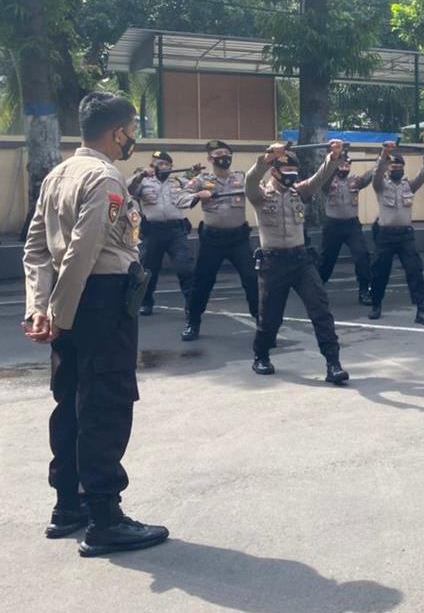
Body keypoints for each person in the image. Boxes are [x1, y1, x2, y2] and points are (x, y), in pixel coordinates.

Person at [23, 92, 168, 557]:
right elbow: (84, 251)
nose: (133, 140)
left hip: (68, 305)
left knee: (69, 403)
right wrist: (59, 315)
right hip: (100, 302)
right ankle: (105, 518)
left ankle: (68, 506)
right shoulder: (105, 177)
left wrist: (40, 309)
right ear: (117, 132)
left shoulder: (57, 175)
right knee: (105, 404)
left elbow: (36, 250)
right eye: (131, 130)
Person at [246, 142, 349, 382]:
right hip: (273, 263)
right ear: (274, 171)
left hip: (301, 260)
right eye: (287, 172)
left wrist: (333, 157)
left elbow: (319, 178)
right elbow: (250, 181)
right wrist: (266, 158)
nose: (292, 176)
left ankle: (333, 363)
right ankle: (260, 356)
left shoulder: (299, 192)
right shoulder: (260, 195)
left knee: (320, 309)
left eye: (294, 172)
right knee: (270, 318)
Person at [176, 140, 258, 341]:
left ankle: (263, 323)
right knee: (202, 282)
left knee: (252, 280)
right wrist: (197, 195)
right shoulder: (202, 180)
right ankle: (193, 323)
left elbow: (259, 184)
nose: (224, 157)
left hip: (238, 238)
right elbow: (179, 198)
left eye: (226, 153)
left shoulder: (241, 177)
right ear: (210, 159)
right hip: (212, 240)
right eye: (219, 154)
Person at [368, 141, 424, 325]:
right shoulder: (381, 186)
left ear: (403, 168)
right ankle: (376, 304)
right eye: (392, 165)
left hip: (405, 235)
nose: (395, 168)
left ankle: (422, 310)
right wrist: (384, 154)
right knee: (380, 272)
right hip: (385, 235)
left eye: (399, 165)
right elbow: (376, 174)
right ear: (388, 168)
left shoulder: (409, 186)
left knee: (415, 271)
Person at [127, 151, 195, 315]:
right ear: (152, 166)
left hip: (176, 231)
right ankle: (146, 302)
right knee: (148, 270)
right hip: (152, 231)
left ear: (171, 166)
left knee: (185, 267)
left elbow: (196, 186)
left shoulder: (177, 181)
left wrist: (195, 174)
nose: (162, 166)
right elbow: (128, 188)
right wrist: (141, 175)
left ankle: (192, 305)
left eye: (165, 164)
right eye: (157, 163)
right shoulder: (143, 182)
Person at [318, 154, 374, 304]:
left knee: (362, 256)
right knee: (326, 261)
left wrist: (381, 160)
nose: (344, 168)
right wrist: (332, 163)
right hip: (333, 226)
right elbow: (323, 182)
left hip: (352, 226)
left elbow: (369, 177)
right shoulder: (328, 181)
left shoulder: (354, 181)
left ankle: (364, 290)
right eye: (341, 165)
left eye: (347, 165)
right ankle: (316, 290)